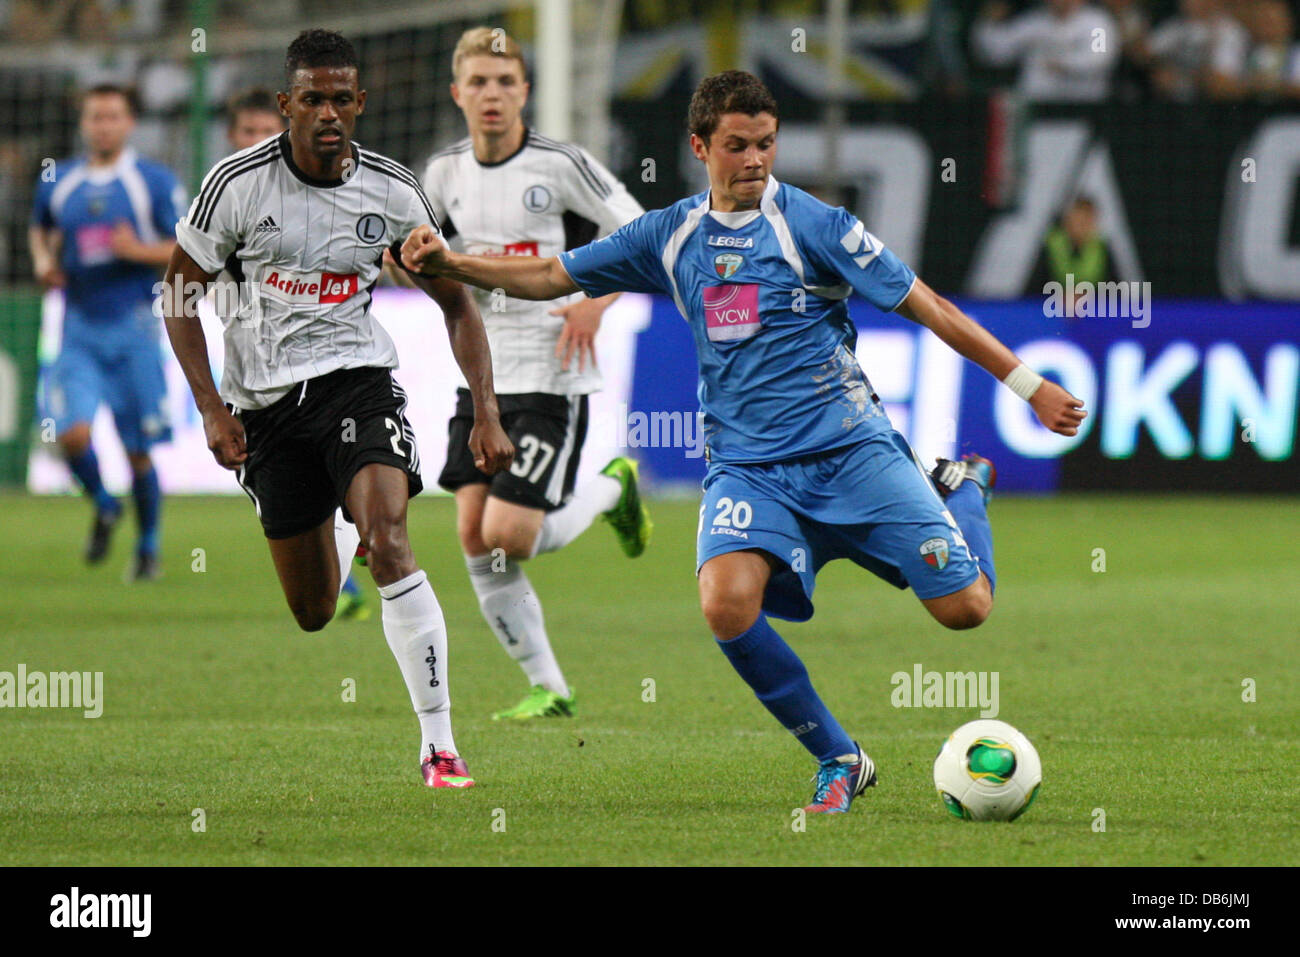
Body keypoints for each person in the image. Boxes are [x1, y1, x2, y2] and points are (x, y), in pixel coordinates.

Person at [400, 70, 1087, 813]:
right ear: (700, 147)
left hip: (852, 452)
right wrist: (451, 264)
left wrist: (1028, 385)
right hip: (748, 468)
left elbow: (934, 309)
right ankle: (839, 755)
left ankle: (964, 487)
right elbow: (548, 273)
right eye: (737, 146)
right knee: (725, 603)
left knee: (967, 609)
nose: (755, 159)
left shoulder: (818, 226)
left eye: (766, 143)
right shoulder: (671, 234)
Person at [162, 29, 513, 789]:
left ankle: (439, 746)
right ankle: (338, 515)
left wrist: (485, 409)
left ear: (361, 103)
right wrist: (211, 407)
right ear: (287, 104)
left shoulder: (392, 191)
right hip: (266, 409)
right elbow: (178, 294)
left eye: (341, 98)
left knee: (390, 540)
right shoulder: (236, 183)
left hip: (355, 382)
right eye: (312, 98)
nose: (328, 112)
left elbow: (458, 304)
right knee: (316, 608)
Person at [406, 27, 650, 721]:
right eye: (478, 82)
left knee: (511, 535)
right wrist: (407, 263)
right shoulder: (443, 172)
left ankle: (611, 489)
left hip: (550, 367)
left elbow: (641, 235)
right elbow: (414, 254)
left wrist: (593, 307)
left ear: (525, 92)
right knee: (472, 534)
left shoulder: (562, 163)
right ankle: (551, 685)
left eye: (505, 82)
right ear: (458, 92)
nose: (492, 95)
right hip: (480, 375)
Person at [223, 86, 371, 622]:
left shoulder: (325, 194)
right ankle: (344, 550)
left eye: (268, 133)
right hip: (256, 383)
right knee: (310, 604)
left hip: (334, 371)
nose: (259, 144)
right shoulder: (224, 197)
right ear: (232, 137)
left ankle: (365, 533)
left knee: (358, 469)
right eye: (248, 133)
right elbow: (184, 281)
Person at [29, 83, 185, 580]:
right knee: (71, 433)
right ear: (84, 122)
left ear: (129, 123)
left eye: (113, 116)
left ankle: (148, 547)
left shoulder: (152, 182)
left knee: (138, 450)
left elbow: (186, 246)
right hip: (78, 329)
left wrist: (136, 250)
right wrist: (43, 261)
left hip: (136, 330)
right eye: (95, 116)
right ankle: (103, 501)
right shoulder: (60, 179)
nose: (103, 125)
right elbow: (40, 227)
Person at [972, 0, 1120, 102]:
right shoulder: (1035, 22)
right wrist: (989, 22)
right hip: (1039, 108)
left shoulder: (1097, 22)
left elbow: (1101, 57)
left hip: (1082, 107)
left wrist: (1064, 64)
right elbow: (998, 50)